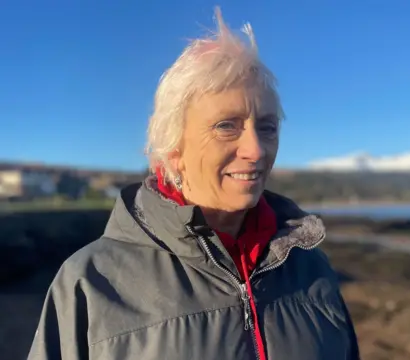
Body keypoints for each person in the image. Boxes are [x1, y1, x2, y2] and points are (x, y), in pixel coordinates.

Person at [27, 7, 360, 360]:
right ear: (173, 149)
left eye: (267, 127)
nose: (256, 150)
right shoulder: (90, 283)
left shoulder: (313, 269)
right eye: (226, 126)